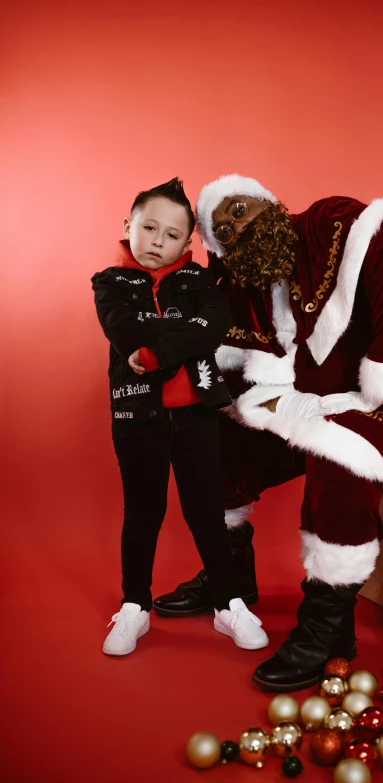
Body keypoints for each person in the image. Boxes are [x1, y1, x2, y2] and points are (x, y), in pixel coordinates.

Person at [153, 174, 383, 691]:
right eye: (222, 229)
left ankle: (329, 631)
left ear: (265, 201)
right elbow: (227, 364)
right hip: (313, 402)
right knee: (213, 441)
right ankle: (229, 575)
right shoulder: (240, 288)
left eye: (238, 208)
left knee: (336, 456)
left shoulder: (325, 224)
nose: (235, 224)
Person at [92, 178, 268, 656]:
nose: (157, 242)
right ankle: (135, 607)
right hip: (137, 417)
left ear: (187, 243)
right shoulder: (109, 284)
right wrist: (175, 333)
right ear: (129, 226)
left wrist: (155, 351)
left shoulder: (199, 283)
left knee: (207, 513)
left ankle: (229, 605)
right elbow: (125, 330)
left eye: (171, 236)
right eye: (149, 228)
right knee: (143, 513)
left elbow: (211, 326)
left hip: (196, 417)